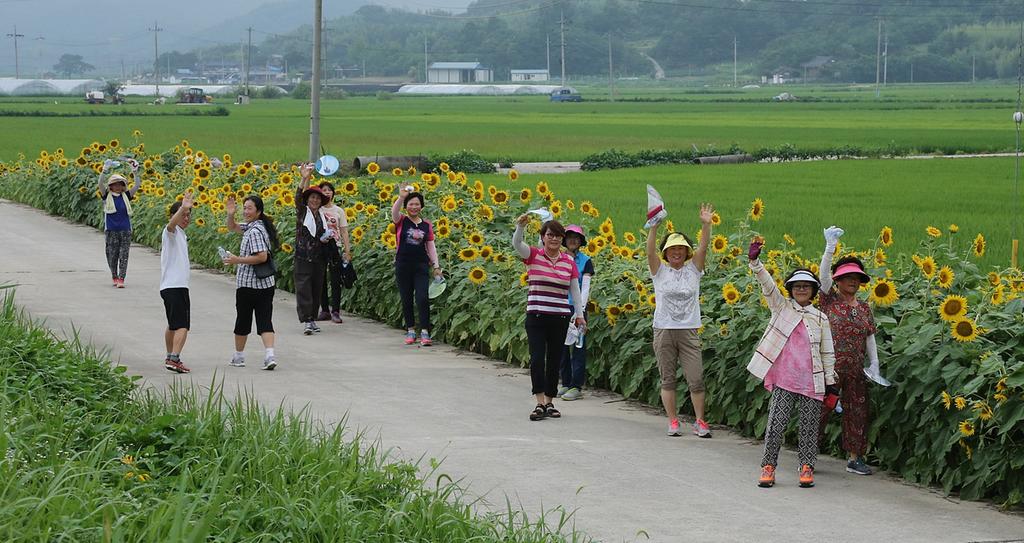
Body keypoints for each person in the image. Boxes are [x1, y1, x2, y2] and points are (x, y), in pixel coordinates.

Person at [746, 239, 838, 489]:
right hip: (784, 378)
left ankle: (807, 466)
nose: (801, 290)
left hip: (812, 380)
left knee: (809, 427)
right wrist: (755, 262)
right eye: (796, 286)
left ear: (813, 290)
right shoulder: (781, 308)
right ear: (789, 289)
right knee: (776, 425)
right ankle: (768, 467)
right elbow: (767, 286)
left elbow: (827, 352)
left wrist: (831, 382)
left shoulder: (820, 318)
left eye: (806, 287)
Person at [646, 204, 714, 438]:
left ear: (687, 253)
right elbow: (649, 253)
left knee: (695, 379)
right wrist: (654, 228)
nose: (677, 252)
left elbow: (704, 248)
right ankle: (673, 421)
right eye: (672, 249)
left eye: (681, 249)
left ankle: (700, 421)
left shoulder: (694, 271)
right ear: (665, 252)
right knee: (667, 378)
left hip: (688, 331)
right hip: (664, 330)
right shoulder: (660, 271)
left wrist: (706, 225)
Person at [818, 226, 879, 476]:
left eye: (856, 278)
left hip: (856, 369)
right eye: (847, 277)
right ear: (838, 281)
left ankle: (855, 458)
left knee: (857, 412)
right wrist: (830, 248)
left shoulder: (864, 308)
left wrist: (874, 363)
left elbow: (870, 337)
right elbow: (822, 276)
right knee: (820, 408)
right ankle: (808, 451)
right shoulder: (829, 300)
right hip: (829, 370)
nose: (852, 281)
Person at [513, 215, 586, 421]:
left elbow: (575, 290)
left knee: (555, 360)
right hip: (536, 315)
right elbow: (517, 244)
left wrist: (579, 316)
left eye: (557, 236)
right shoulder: (533, 255)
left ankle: (550, 401)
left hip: (560, 317)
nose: (554, 239)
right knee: (537, 359)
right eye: (550, 235)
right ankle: (538, 402)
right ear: (543, 237)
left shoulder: (568, 261)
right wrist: (520, 226)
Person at [223, 195, 280, 370]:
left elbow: (261, 257)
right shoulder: (256, 226)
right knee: (265, 320)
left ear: (259, 211)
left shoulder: (254, 231)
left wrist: (236, 260)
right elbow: (232, 227)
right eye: (244, 207)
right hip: (266, 285)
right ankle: (269, 355)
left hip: (250, 285)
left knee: (243, 320)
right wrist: (231, 213)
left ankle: (239, 356)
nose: (245, 211)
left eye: (249, 208)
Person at [391, 183, 442, 346]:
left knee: (422, 298)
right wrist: (401, 197)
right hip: (403, 264)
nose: (414, 207)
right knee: (406, 299)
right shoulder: (401, 221)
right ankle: (411, 330)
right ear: (406, 207)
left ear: (421, 206)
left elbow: (431, 247)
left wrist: (436, 267)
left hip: (420, 266)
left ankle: (425, 332)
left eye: (417, 204)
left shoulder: (426, 225)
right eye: (411, 204)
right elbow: (394, 212)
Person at [557, 224, 593, 401]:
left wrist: (580, 312)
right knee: (561, 347)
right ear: (564, 240)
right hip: (560, 307)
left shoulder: (586, 261)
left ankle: (576, 386)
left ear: (580, 241)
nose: (572, 240)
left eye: (576, 237)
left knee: (578, 348)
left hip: (578, 310)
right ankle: (565, 382)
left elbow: (584, 288)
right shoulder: (559, 258)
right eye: (569, 236)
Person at [295, 164, 332, 335]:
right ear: (308, 200)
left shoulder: (321, 216)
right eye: (312, 198)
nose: (315, 201)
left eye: (318, 199)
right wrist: (304, 178)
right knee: (303, 288)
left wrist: (327, 237)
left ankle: (313, 318)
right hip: (303, 257)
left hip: (319, 258)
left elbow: (321, 235)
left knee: (317, 288)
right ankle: (307, 320)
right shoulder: (303, 212)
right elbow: (297, 198)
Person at [160, 192, 194, 374]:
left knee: (173, 324)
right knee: (182, 325)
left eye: (189, 216)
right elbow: (171, 224)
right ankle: (175, 358)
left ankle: (169, 356)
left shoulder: (181, 235)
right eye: (183, 215)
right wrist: (183, 207)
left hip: (170, 286)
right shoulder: (170, 232)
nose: (186, 218)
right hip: (175, 286)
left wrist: (184, 209)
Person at [97, 158, 141, 288]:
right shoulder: (106, 196)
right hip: (111, 230)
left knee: (124, 254)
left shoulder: (126, 196)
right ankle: (114, 275)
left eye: (120, 184)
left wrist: (135, 172)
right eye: (115, 184)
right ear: (110, 186)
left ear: (123, 186)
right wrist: (104, 170)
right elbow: (100, 184)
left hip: (125, 230)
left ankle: (121, 278)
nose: (117, 187)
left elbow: (137, 186)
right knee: (112, 254)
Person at [317, 181, 352, 324]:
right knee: (320, 279)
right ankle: (324, 310)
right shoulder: (317, 209)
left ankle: (336, 311)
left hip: (334, 247)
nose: (327, 192)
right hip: (319, 247)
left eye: (329, 190)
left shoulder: (339, 211)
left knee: (335, 279)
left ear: (333, 193)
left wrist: (347, 250)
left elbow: (343, 231)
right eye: (324, 190)